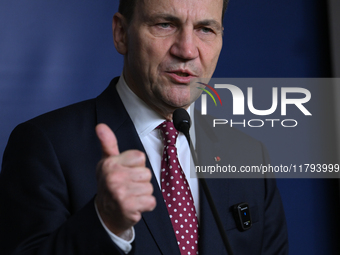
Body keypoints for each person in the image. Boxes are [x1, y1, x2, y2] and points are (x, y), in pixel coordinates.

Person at [0, 0, 288, 254]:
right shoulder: (45, 145)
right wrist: (105, 223)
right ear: (121, 34)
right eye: (165, 24)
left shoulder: (249, 156)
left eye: (205, 29)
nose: (187, 49)